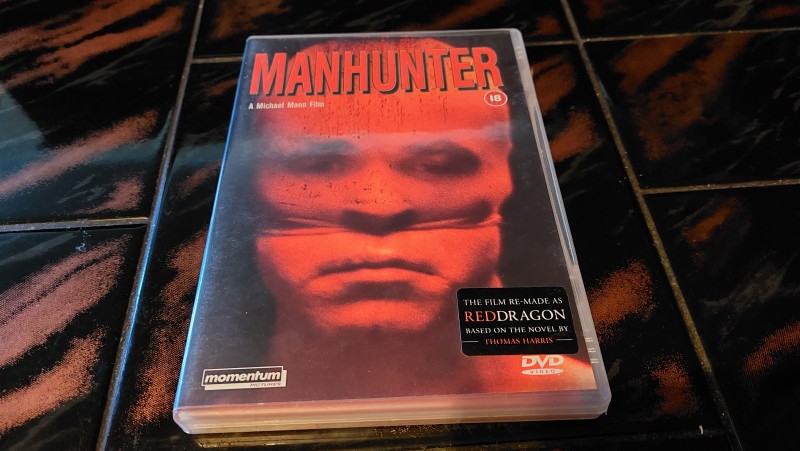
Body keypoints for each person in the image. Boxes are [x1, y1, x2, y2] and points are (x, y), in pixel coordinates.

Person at [243, 38, 595, 400]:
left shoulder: (578, 393)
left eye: (437, 165)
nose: (378, 205)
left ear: (506, 179)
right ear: (253, 184)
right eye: (318, 165)